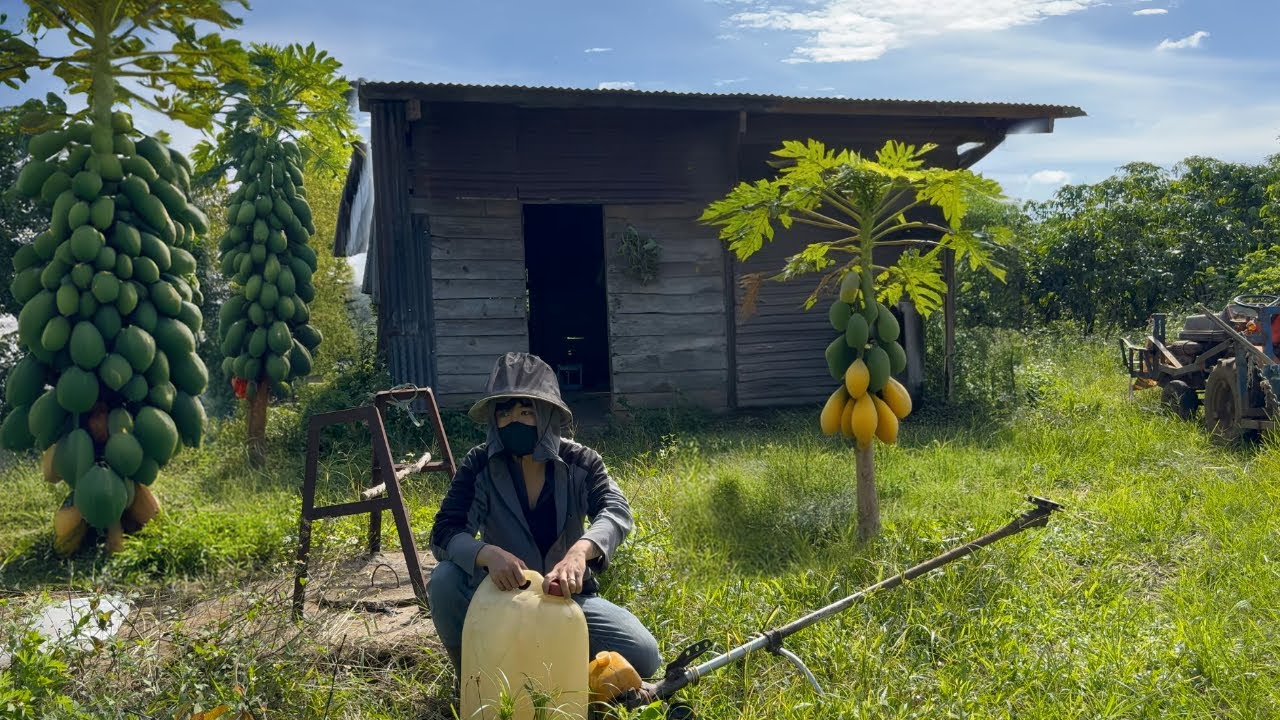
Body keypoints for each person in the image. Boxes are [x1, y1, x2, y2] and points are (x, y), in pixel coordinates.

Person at [427, 351, 662, 688]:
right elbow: (445, 531)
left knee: (643, 656)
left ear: (548, 415)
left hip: (566, 596)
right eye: (504, 413)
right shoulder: (479, 463)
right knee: (445, 579)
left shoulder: (581, 461)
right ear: (494, 419)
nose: (514, 422)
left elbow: (614, 511)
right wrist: (487, 555)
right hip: (498, 594)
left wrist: (580, 552)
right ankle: (472, 679)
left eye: (527, 411)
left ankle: (559, 666)